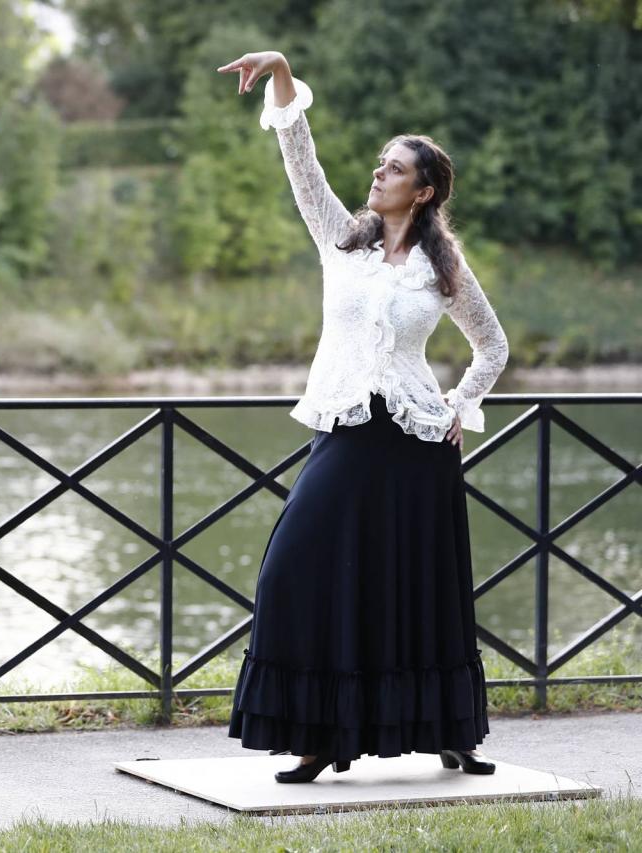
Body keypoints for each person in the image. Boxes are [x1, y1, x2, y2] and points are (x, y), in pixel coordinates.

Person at [215, 50, 508, 783]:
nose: (378, 173)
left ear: (426, 189)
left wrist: (459, 405)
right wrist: (283, 72)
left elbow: (493, 346)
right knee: (295, 572)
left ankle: (447, 731)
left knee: (417, 590)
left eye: (394, 167)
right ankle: (319, 733)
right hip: (345, 433)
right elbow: (300, 159)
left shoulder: (442, 270)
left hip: (416, 443)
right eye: (379, 163)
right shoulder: (341, 241)